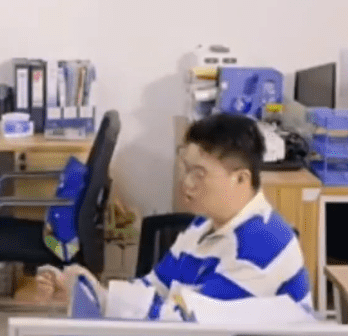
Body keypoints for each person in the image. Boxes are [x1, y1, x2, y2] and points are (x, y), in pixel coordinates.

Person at [37, 113, 314, 316]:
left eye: (199, 173)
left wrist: (100, 298)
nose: (187, 183)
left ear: (241, 179)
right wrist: (89, 291)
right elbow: (153, 287)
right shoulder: (203, 225)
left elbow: (185, 324)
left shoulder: (262, 245)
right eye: (186, 168)